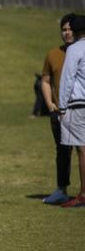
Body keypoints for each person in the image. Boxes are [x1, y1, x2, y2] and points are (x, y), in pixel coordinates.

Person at [41, 13, 76, 205]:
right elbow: (45, 81)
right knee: (62, 151)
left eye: (70, 29)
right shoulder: (53, 54)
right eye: (64, 29)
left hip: (79, 109)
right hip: (58, 111)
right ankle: (62, 189)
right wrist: (49, 104)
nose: (67, 33)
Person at [58, 15, 85, 208]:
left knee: (82, 149)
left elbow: (68, 78)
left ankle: (83, 194)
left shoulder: (75, 49)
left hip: (77, 104)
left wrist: (61, 106)